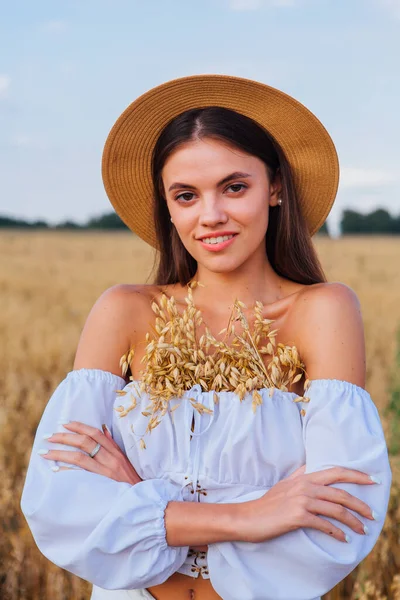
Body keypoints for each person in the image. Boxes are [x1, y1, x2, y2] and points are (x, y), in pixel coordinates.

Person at [20, 74, 391, 600]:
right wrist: (249, 516)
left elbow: (337, 525)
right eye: (186, 195)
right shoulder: (124, 312)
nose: (211, 216)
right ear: (168, 207)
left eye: (234, 187)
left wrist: (140, 502)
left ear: (276, 187)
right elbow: (60, 507)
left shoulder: (322, 312)